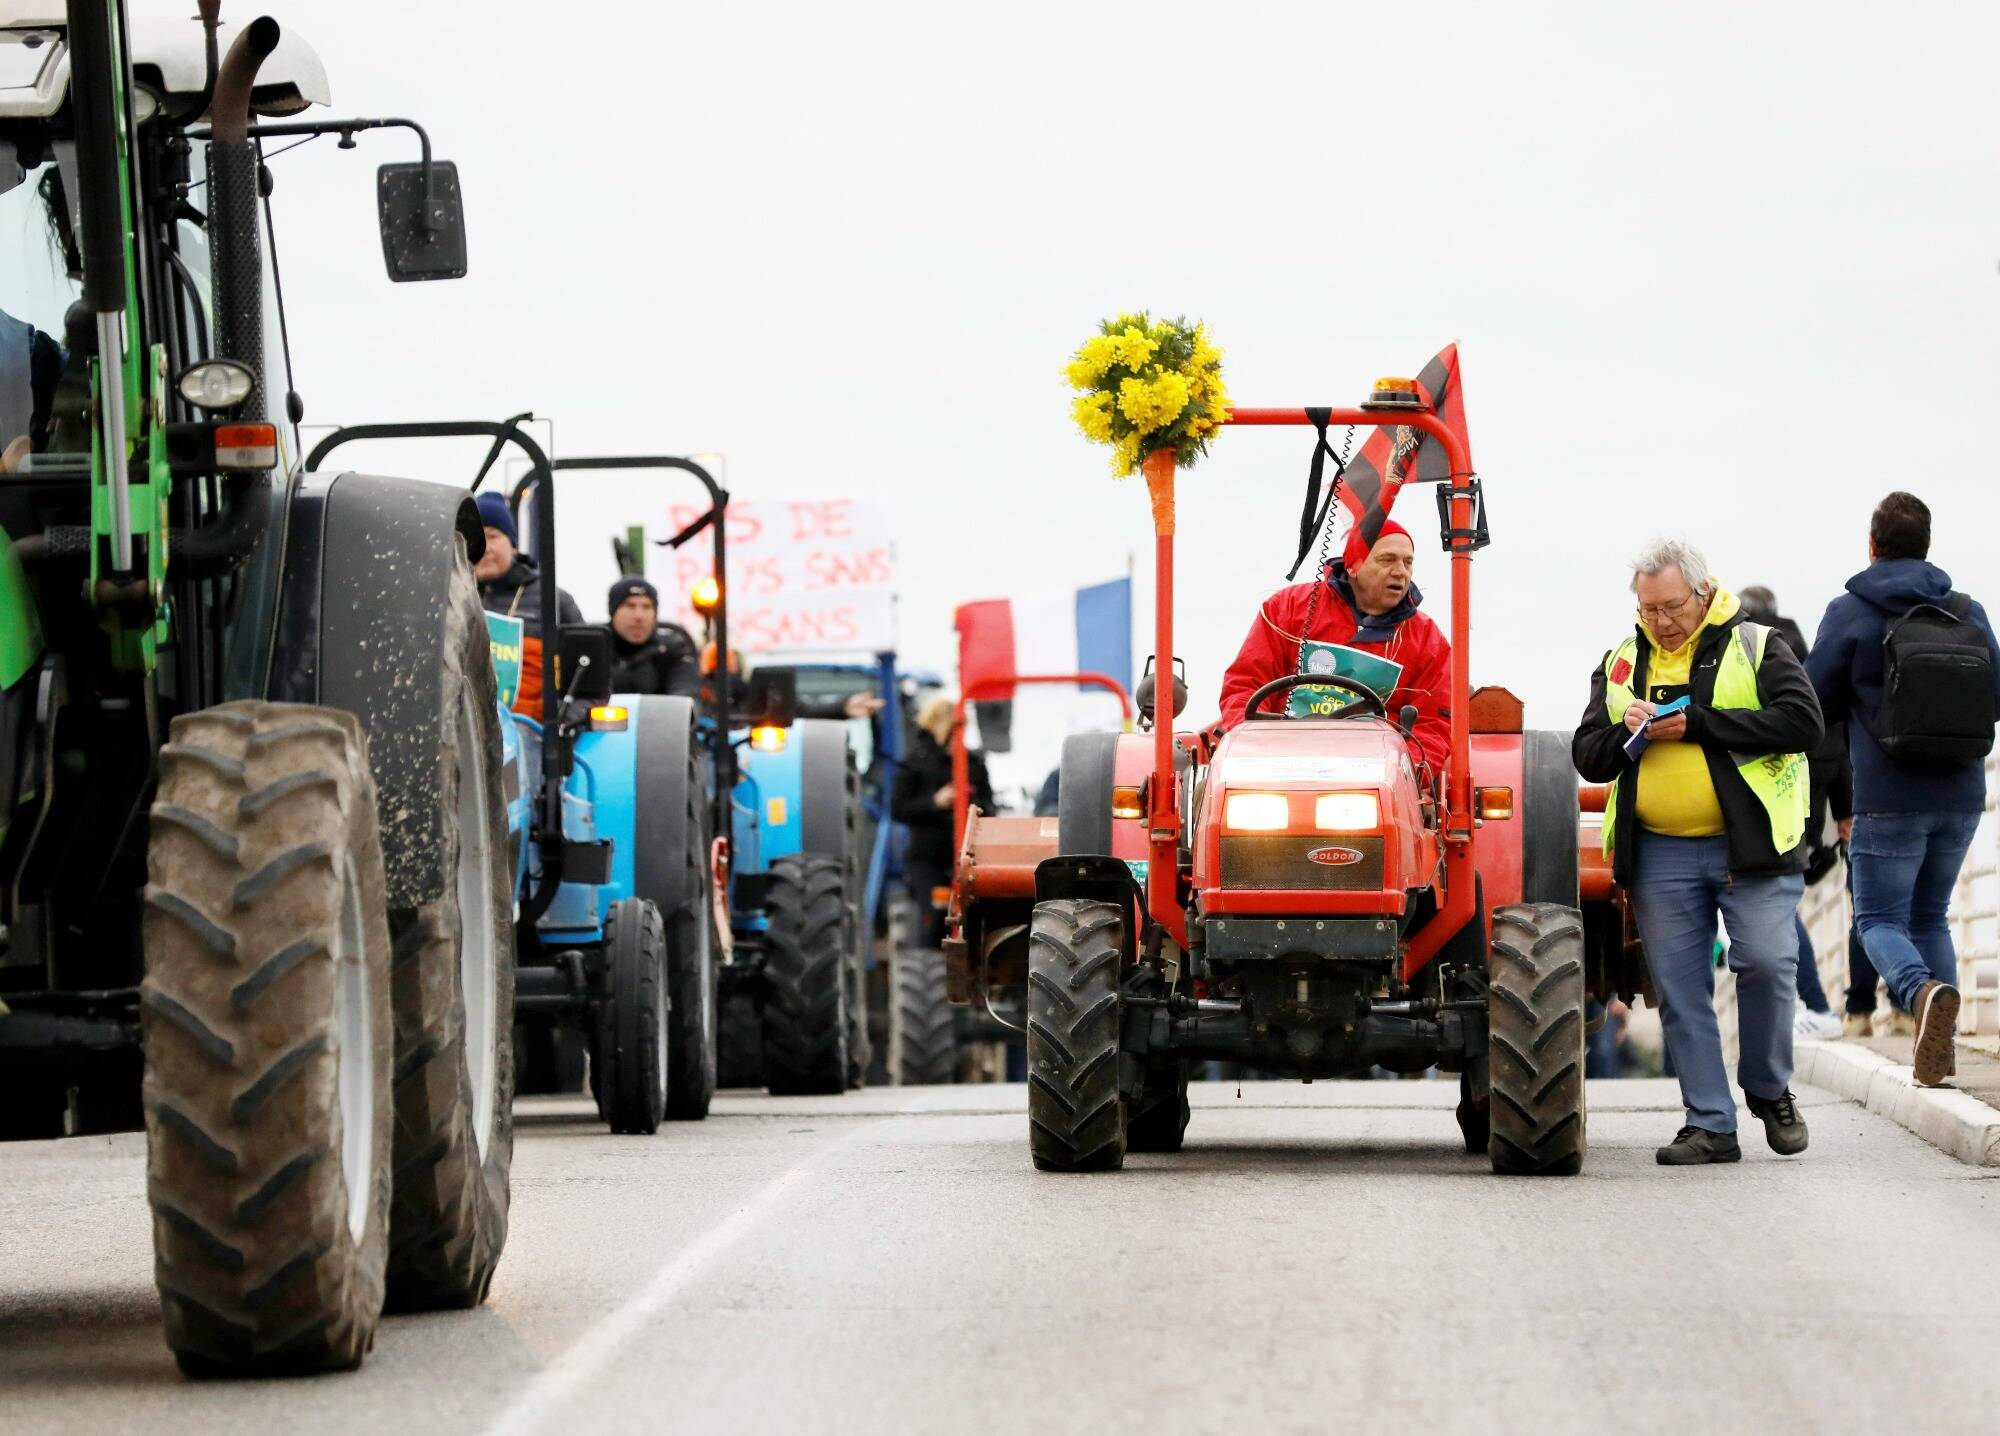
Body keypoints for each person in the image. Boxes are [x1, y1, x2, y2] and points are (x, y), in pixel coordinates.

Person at [1572, 538, 1823, 1165]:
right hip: (1660, 853)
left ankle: (1768, 1089)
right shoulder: (1623, 660)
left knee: (1767, 964)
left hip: (1751, 846)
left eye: (1671, 607)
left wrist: (1701, 724)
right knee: (1683, 991)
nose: (1659, 621)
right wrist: (1623, 732)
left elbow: (1803, 723)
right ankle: (1710, 1122)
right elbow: (1587, 754)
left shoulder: (1757, 645)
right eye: (1648, 608)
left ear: (1704, 592)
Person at [1806, 492, 2000, 1087]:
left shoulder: (1850, 611)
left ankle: (1920, 996)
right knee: (1930, 916)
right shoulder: (1967, 611)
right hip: (1963, 792)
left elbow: (1814, 701)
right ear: (1927, 545)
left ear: (1871, 544)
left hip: (1888, 795)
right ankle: (1937, 1050)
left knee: (1877, 920)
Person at [1217, 517, 1452, 776]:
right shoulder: (1288, 608)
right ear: (1353, 566)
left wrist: (1407, 775)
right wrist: (1256, 753)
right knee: (1212, 797)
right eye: (1387, 560)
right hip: (1281, 768)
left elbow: (1434, 724)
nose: (1400, 571)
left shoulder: (1427, 639)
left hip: (1376, 778)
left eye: (1408, 562)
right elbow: (1245, 686)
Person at [1738, 584, 1852, 1041]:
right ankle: (1805, 1007)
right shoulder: (1806, 662)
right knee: (1780, 908)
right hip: (1805, 813)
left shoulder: (1750, 655)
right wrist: (1844, 813)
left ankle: (1817, 1007)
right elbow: (1837, 743)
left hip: (1764, 807)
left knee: (1777, 911)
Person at [890, 693, 992, 948]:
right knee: (937, 914)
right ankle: (933, 965)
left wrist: (973, 807)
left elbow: (989, 807)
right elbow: (899, 809)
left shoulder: (974, 764)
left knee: (981, 916)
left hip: (969, 856)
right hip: (929, 857)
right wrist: (935, 802)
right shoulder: (915, 763)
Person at [475, 490, 581, 716]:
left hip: (532, 735)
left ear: (513, 544)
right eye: (475, 539)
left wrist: (562, 721)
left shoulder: (553, 602)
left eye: (492, 536)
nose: (484, 547)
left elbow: (588, 681)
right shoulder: (450, 599)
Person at [603, 576, 699, 697]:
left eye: (647, 606)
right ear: (613, 611)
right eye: (630, 606)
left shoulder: (672, 650)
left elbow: (685, 690)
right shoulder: (594, 650)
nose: (639, 616)